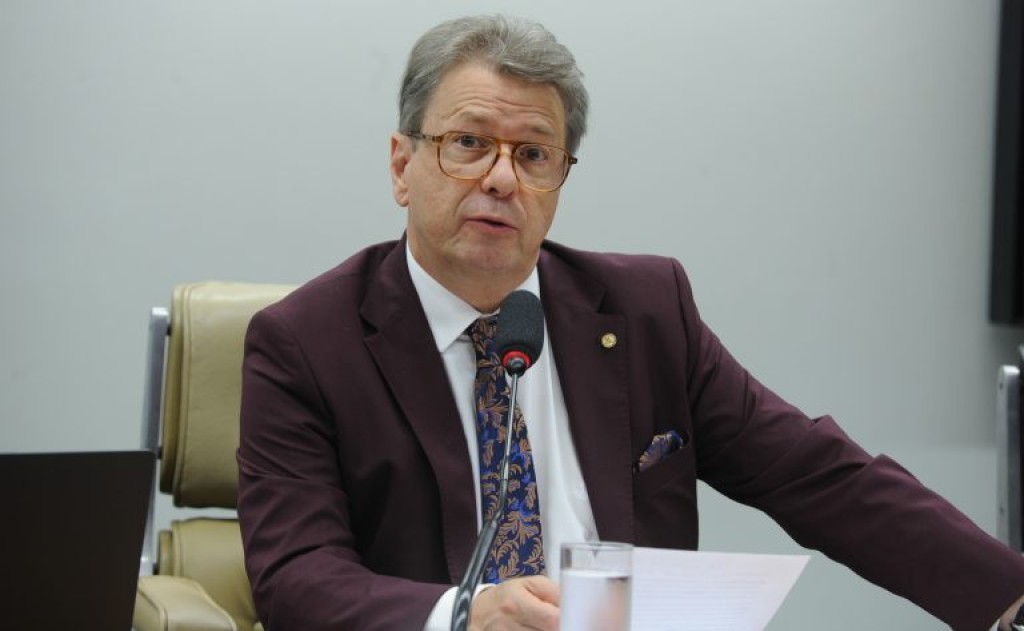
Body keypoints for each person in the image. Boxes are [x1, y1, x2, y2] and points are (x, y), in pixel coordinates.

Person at [236, 14, 1024, 631]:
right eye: (468, 143)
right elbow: (297, 577)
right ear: (402, 165)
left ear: (560, 177)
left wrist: (1011, 595)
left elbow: (819, 476)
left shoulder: (644, 311)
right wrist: (466, 614)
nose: (501, 178)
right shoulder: (305, 343)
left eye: (534, 155)